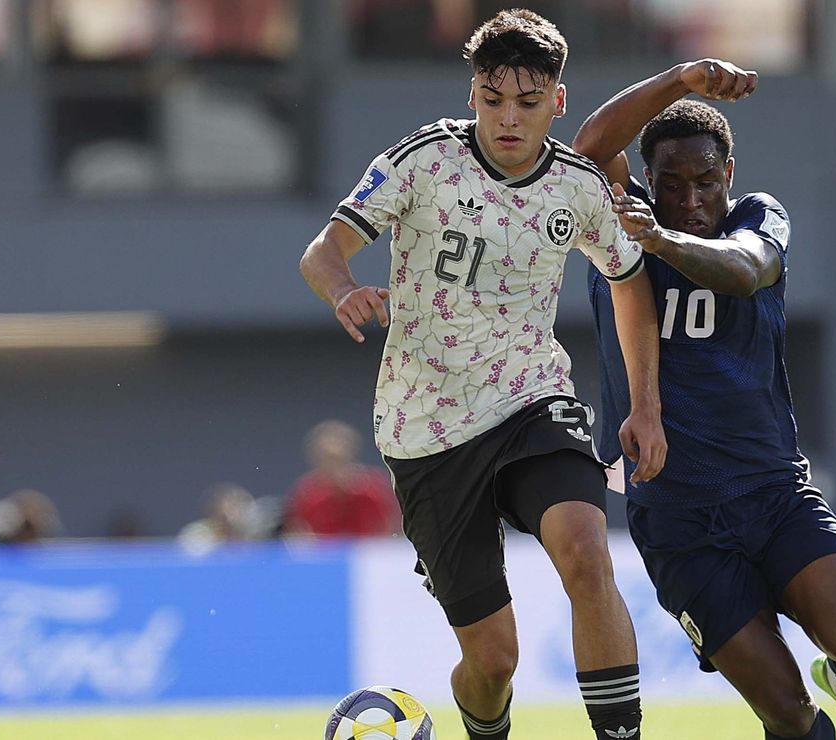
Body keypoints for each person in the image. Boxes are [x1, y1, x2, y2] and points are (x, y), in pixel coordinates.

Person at [298, 10, 667, 740]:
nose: (508, 118)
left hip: (532, 400)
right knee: (494, 660)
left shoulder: (579, 189)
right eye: (493, 98)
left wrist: (646, 404)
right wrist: (343, 288)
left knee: (588, 555)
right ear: (473, 93)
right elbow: (323, 249)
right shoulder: (423, 161)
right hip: (425, 431)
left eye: (527, 104)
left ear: (556, 103)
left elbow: (630, 282)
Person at [573, 60, 836, 740]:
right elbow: (588, 146)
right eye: (671, 186)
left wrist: (660, 239)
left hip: (774, 494)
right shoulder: (617, 227)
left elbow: (745, 271)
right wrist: (680, 78)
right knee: (788, 717)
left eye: (706, 182)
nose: (691, 199)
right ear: (649, 181)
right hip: (680, 523)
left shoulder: (758, 218)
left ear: (729, 174)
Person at [283, 420, 401, 538]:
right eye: (327, 460)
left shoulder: (373, 489)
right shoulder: (307, 493)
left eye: (338, 460)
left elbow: (391, 530)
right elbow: (298, 533)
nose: (333, 467)